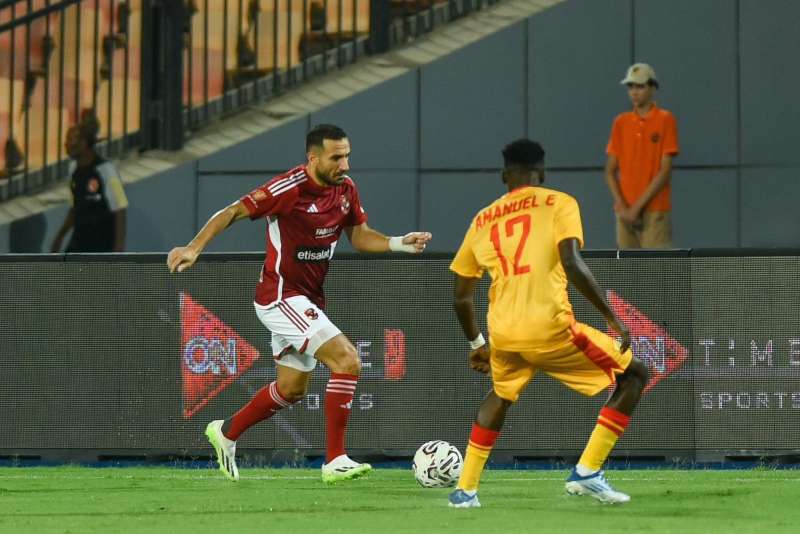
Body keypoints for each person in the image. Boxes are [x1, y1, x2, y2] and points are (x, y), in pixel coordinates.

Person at [167, 124, 432, 483]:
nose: (346, 164)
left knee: (292, 388)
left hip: (307, 298)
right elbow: (231, 211)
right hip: (280, 297)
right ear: (313, 158)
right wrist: (193, 247)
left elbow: (361, 237)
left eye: (347, 155)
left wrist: (401, 243)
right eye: (336, 157)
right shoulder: (287, 188)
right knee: (347, 359)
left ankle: (226, 432)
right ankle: (335, 460)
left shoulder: (345, 190)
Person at [447, 139, 649, 508]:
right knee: (634, 374)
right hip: (550, 326)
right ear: (541, 172)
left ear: (504, 175)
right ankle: (587, 472)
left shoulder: (481, 219)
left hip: (504, 332)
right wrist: (610, 317)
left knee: (500, 396)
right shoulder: (559, 202)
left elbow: (460, 296)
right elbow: (571, 261)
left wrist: (477, 344)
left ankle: (465, 491)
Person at [604, 63, 679, 249]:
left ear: (653, 88)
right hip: (624, 212)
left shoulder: (665, 119)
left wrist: (636, 208)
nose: (634, 92)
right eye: (631, 87)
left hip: (654, 210)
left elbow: (665, 170)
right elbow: (610, 170)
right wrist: (623, 207)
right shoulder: (621, 122)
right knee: (629, 272)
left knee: (656, 271)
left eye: (640, 86)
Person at [51, 122, 128, 253]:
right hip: (80, 241)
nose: (66, 145)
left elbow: (120, 209)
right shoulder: (73, 169)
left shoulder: (106, 169)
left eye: (71, 139)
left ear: (84, 143)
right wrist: (59, 237)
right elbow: (75, 208)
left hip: (102, 243)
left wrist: (118, 250)